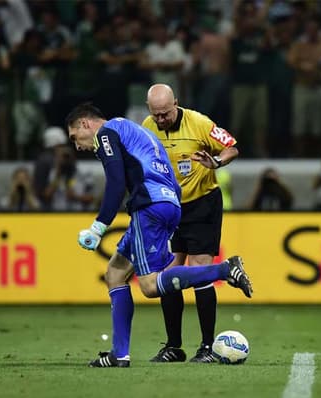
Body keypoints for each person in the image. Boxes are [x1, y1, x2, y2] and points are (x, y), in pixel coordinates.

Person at [65, 103, 252, 368]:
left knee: (151, 286)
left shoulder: (106, 133)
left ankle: (224, 270)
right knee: (115, 273)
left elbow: (117, 184)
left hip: (150, 207)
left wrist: (98, 227)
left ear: (85, 124)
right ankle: (120, 353)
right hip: (169, 204)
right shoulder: (137, 130)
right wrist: (169, 208)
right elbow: (169, 174)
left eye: (75, 137)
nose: (77, 146)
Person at [142, 84, 239, 363]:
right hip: (169, 208)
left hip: (202, 204)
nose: (161, 120)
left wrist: (217, 162)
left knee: (200, 269)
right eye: (156, 115)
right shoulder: (146, 127)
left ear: (177, 104)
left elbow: (232, 147)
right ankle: (174, 346)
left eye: (165, 114)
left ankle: (207, 347)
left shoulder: (199, 123)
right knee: (167, 274)